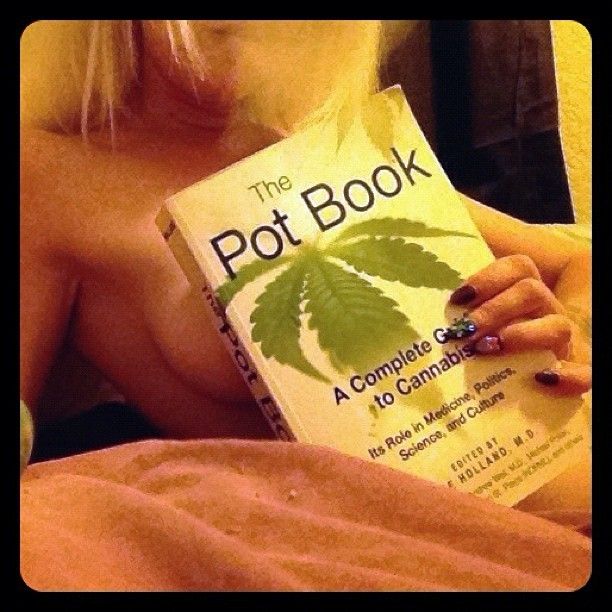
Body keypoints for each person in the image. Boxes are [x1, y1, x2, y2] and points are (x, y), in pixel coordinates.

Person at [20, 20, 591, 506]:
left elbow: (578, 259)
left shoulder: (331, 143)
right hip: (389, 535)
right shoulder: (52, 173)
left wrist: (571, 334)